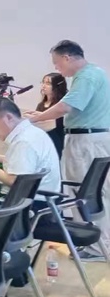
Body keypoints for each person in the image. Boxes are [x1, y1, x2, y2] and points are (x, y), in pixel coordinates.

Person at [26, 40, 110, 261]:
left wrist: (35, 119)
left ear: (67, 57)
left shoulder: (86, 76)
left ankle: (95, 247)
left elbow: (66, 107)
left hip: (86, 141)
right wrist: (41, 115)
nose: (57, 68)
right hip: (95, 139)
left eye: (57, 63)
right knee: (95, 192)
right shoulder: (95, 73)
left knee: (83, 192)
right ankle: (99, 245)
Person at [0, 97, 61, 193]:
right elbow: (20, 162)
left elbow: (16, 181)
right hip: (44, 197)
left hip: (30, 200)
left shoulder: (23, 141)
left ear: (9, 117)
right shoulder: (32, 132)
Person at [37, 73, 67, 158]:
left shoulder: (60, 106)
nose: (43, 86)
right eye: (43, 82)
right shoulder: (41, 105)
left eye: (48, 83)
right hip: (42, 141)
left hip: (56, 141)